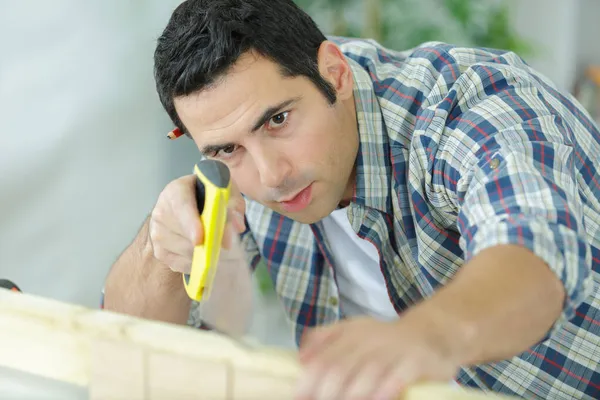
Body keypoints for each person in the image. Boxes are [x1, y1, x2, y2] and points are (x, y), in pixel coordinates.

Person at [102, 0, 600, 398]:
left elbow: (535, 253)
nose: (271, 176)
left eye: (278, 121)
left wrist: (425, 338)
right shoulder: (234, 175)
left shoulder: (469, 110)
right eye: (227, 149)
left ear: (334, 73)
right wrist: (160, 247)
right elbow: (117, 350)